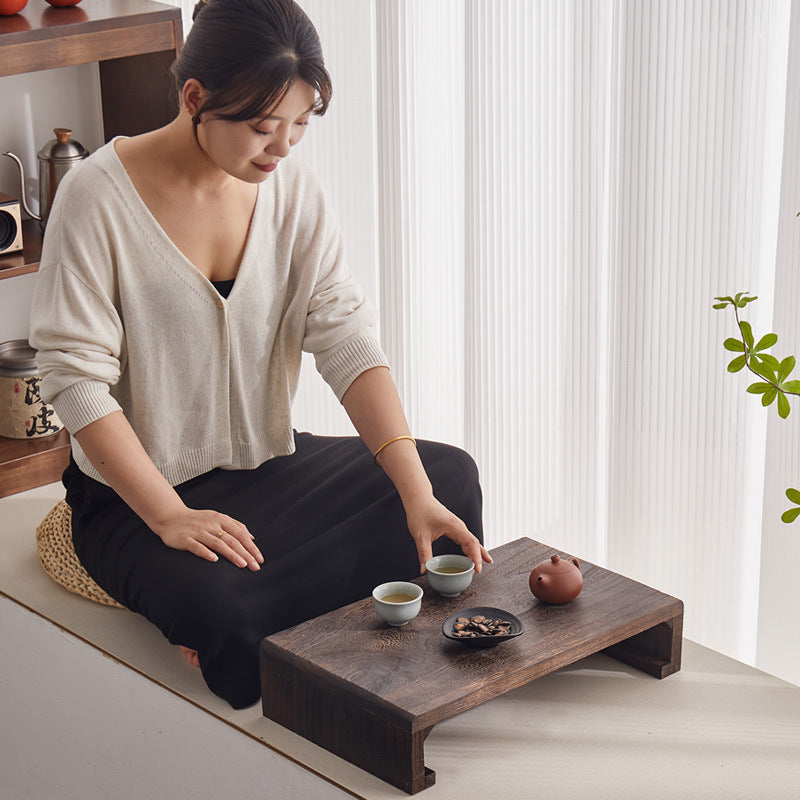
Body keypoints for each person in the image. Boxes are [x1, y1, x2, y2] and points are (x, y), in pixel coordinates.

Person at [29, 0, 489, 710]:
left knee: (447, 479)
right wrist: (168, 515)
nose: (282, 148)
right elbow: (75, 380)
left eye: (300, 125)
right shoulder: (96, 196)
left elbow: (344, 336)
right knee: (223, 608)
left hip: (269, 466)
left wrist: (414, 491)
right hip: (135, 498)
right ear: (195, 98)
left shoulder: (293, 193)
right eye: (263, 126)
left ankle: (333, 628)